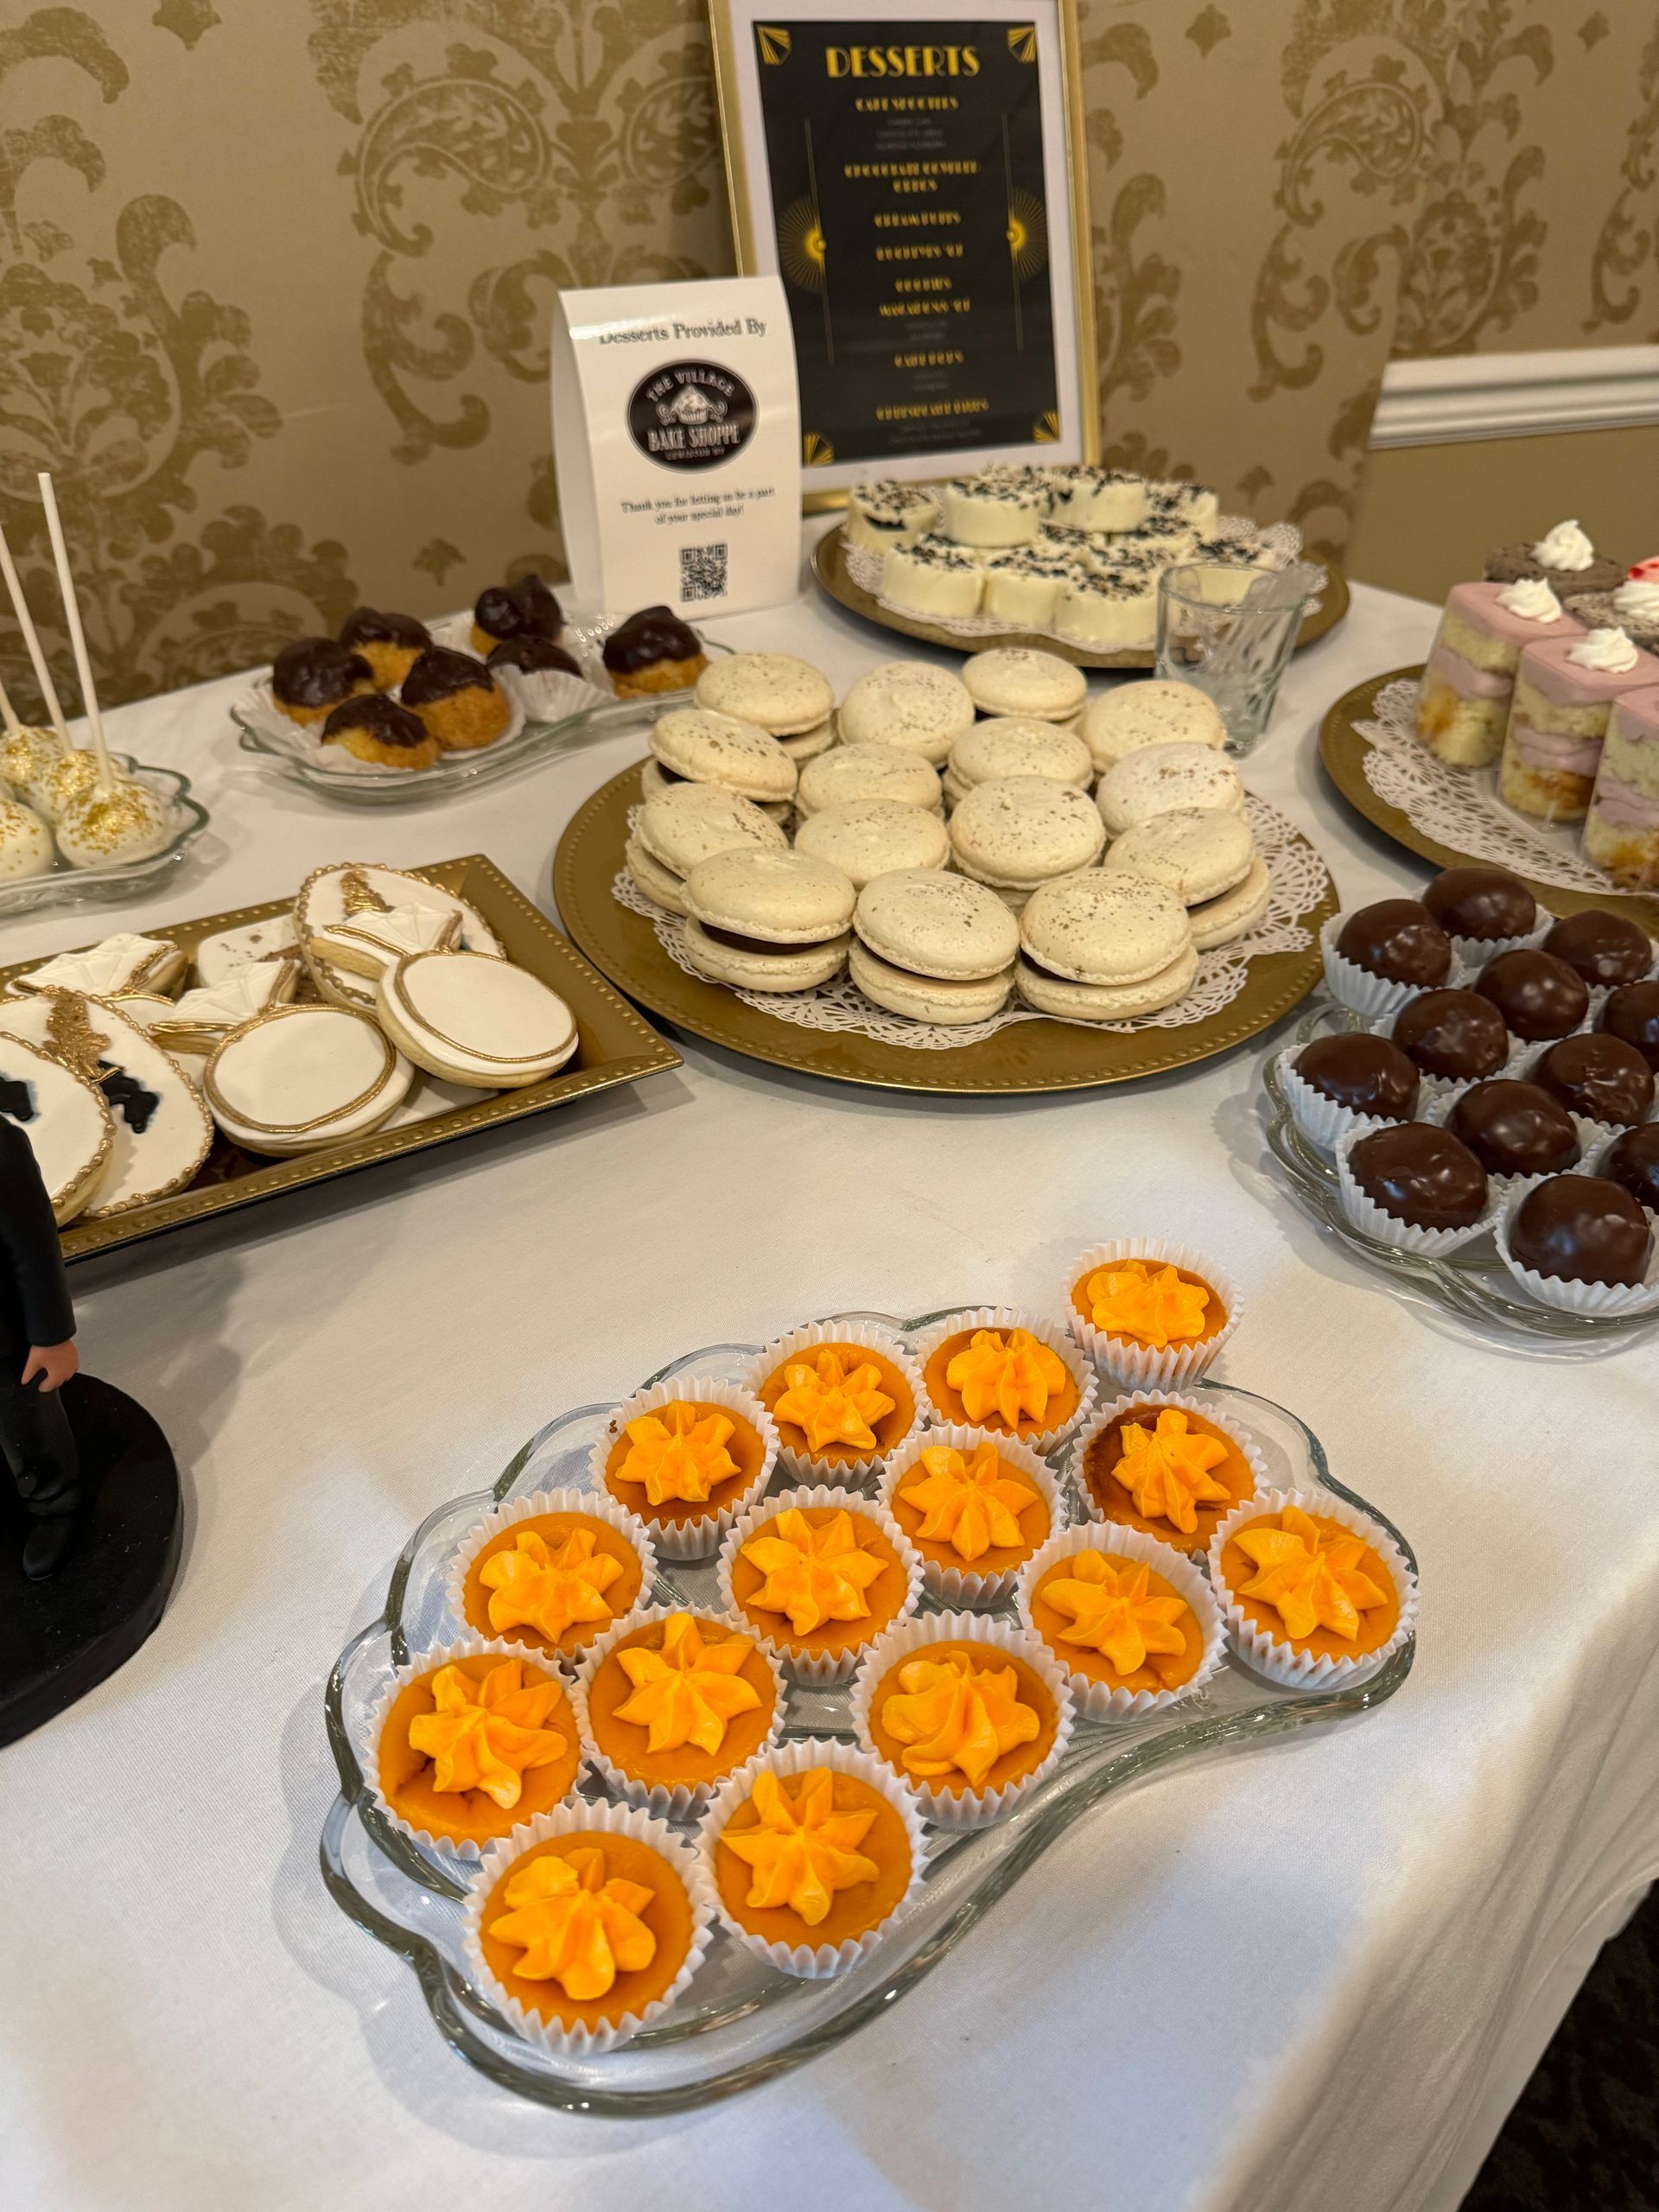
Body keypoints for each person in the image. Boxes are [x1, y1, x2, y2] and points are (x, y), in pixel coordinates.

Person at [0, 1116, 80, 1579]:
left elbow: (33, 1243)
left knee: (27, 1423)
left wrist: (51, 1336)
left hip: (5, 1336)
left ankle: (55, 1503)